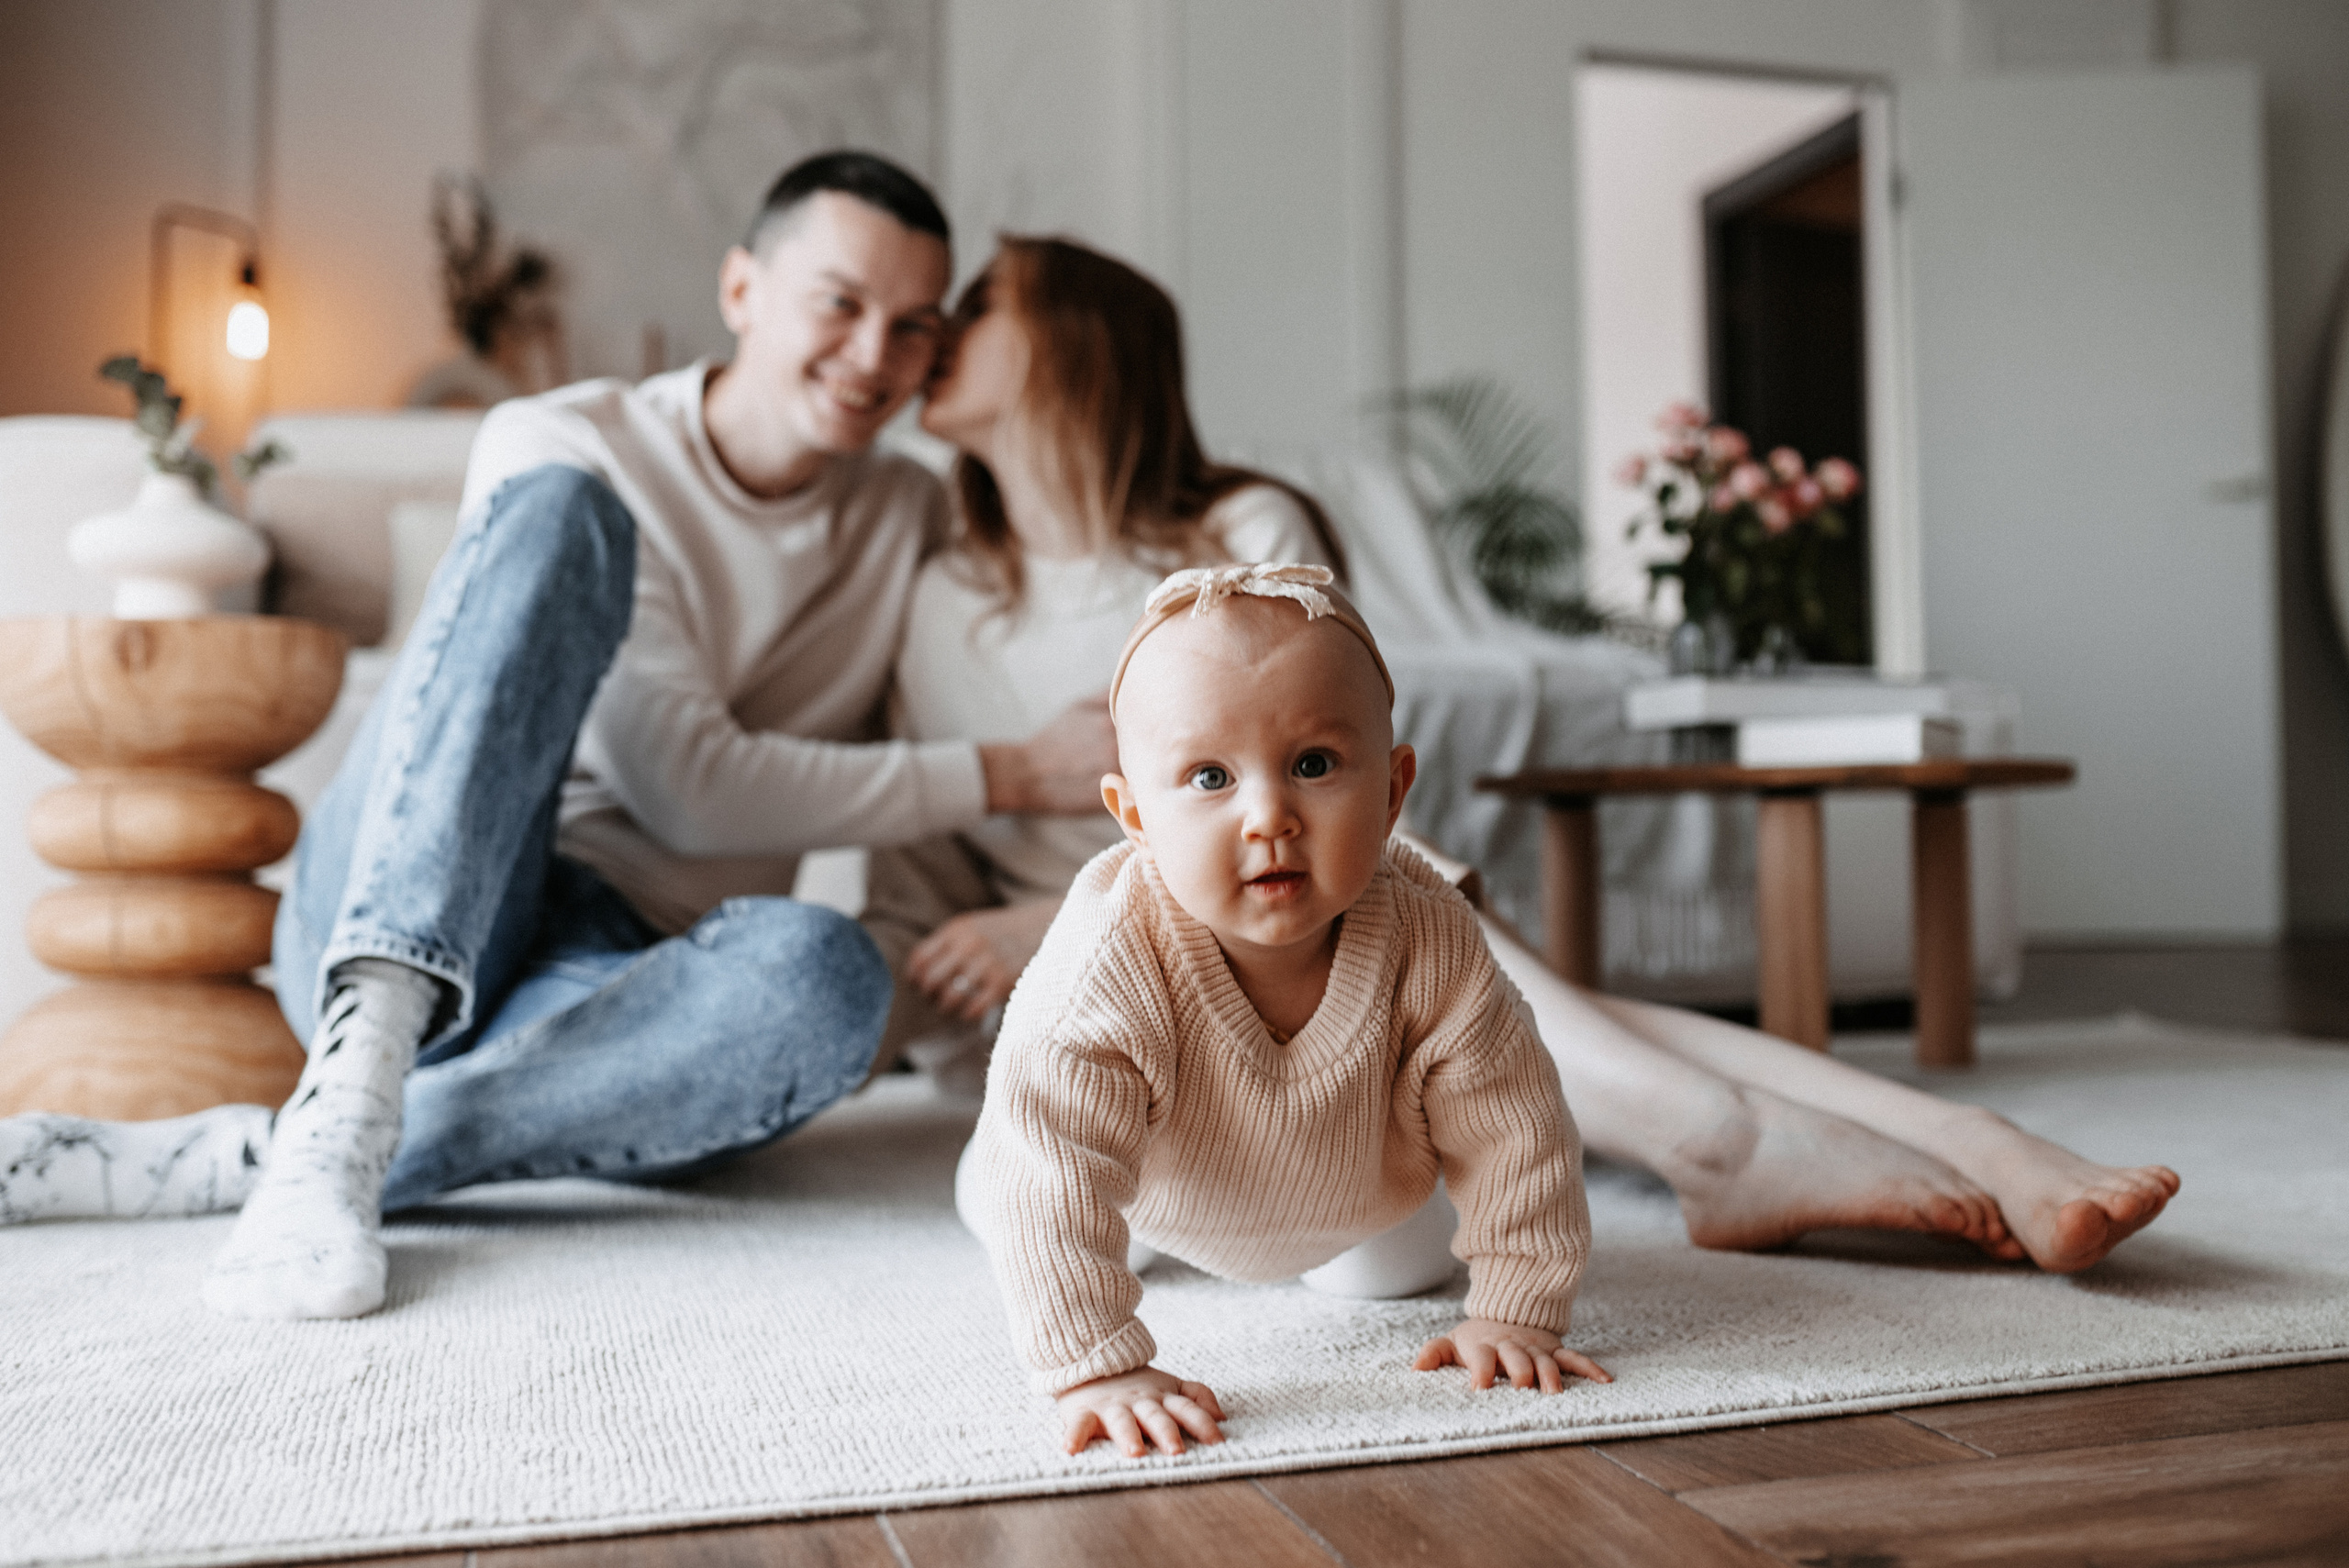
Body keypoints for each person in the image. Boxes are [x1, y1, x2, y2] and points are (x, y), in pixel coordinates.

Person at [882, 233, 2180, 1278]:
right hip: (1139, 959)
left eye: (976, 303)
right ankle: (1906, 1137)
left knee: (1461, 963)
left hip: (1319, 901)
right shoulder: (938, 589)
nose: (931, 331)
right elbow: (955, 828)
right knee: (1575, 1012)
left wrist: (1045, 912)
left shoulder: (1240, 528)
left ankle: (1858, 1142)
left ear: (1073, 345)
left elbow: (1310, 754)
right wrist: (1035, 938)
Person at [0, 153, 1120, 1319]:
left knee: (828, 978)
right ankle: (357, 1076)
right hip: (419, 908)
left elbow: (1059, 557)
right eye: (839, 304)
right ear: (742, 290)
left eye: (914, 329)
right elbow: (686, 789)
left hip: (628, 997)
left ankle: (273, 1153)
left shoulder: (913, 513)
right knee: (561, 522)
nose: (873, 357)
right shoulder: (565, 438)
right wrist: (1006, 772)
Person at [963, 564, 1613, 1459]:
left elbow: (1515, 1125)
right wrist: (1094, 1365)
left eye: (1312, 765)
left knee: (1394, 1277)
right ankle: (985, 1172)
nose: (1269, 816)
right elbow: (1053, 1170)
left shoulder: (1431, 936)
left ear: (1392, 791)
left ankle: (1347, 1251)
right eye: (1208, 776)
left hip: (1355, 1189)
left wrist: (1515, 1309)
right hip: (1153, 1191)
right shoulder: (1109, 960)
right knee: (1022, 1194)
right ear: (1134, 815)